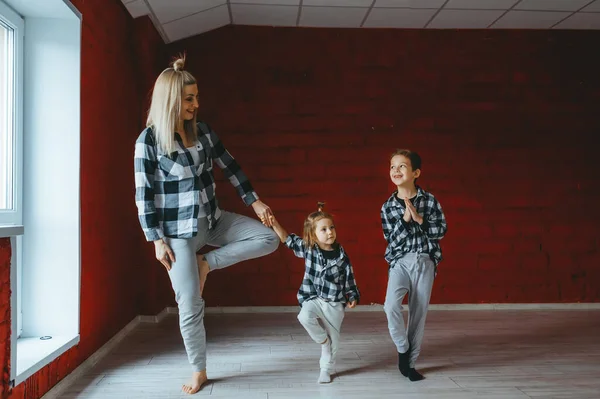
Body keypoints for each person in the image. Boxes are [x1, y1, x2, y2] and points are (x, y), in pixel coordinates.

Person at [134, 55, 279, 394]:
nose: (196, 104)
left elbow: (231, 167)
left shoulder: (203, 132)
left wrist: (254, 200)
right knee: (190, 303)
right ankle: (199, 370)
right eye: (189, 98)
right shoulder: (149, 141)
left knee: (269, 239)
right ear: (171, 100)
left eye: (197, 97)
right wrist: (156, 239)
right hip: (176, 235)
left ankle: (206, 263)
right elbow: (143, 195)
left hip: (213, 221)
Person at [268, 203, 360, 384]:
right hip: (313, 296)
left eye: (331, 227)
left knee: (335, 342)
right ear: (313, 235)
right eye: (324, 229)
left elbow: (349, 277)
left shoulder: (342, 255)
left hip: (334, 302)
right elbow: (288, 240)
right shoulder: (309, 249)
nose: (330, 232)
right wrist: (274, 224)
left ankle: (326, 369)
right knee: (304, 317)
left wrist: (353, 295)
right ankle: (322, 341)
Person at [381, 149, 447, 382]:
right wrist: (406, 220)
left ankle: (409, 364)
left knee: (418, 313)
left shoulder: (429, 201)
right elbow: (392, 240)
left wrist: (420, 219)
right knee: (391, 306)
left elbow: (441, 231)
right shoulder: (388, 206)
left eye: (402, 166)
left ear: (416, 172)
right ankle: (402, 349)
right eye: (392, 166)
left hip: (425, 261)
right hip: (400, 261)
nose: (395, 170)